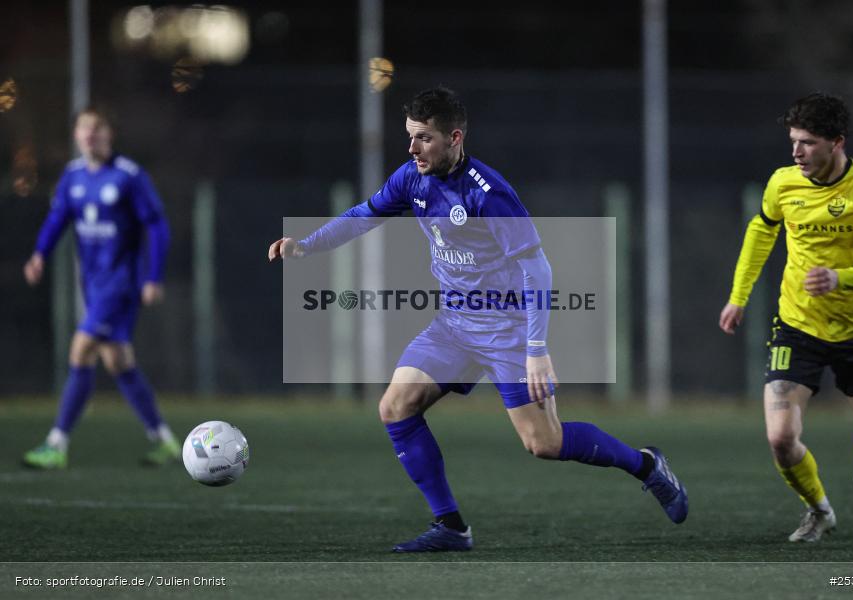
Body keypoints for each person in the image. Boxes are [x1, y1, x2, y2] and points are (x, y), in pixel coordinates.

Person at [269, 87, 688, 552]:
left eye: (423, 138)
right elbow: (363, 215)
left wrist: (536, 349)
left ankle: (647, 465)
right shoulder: (412, 178)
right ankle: (451, 527)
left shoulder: (491, 194)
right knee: (395, 407)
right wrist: (306, 244)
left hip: (508, 332)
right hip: (453, 325)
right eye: (409, 137)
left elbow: (538, 269)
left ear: (454, 137)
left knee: (544, 444)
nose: (412, 149)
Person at [720, 93, 853, 542]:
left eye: (808, 143)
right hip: (798, 324)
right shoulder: (783, 183)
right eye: (794, 141)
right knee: (780, 437)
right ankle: (818, 510)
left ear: (837, 143)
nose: (796, 152)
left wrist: (839, 278)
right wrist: (738, 296)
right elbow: (760, 232)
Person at [22, 107, 179, 469]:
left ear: (110, 134)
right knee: (118, 361)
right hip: (92, 284)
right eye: (84, 130)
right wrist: (39, 254)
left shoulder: (128, 176)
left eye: (97, 129)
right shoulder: (73, 176)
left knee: (81, 350)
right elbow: (59, 217)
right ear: (76, 136)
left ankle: (56, 444)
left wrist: (153, 276)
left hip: (121, 282)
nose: (91, 136)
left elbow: (157, 227)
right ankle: (165, 441)